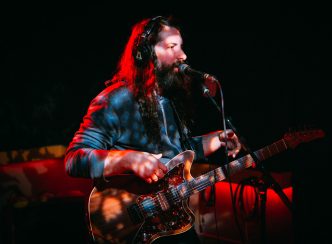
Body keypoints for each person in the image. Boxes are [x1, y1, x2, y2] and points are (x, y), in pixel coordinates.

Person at [64, 15, 242, 244]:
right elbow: (74, 159)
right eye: (171, 47)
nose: (183, 55)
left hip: (171, 223)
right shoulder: (115, 100)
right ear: (146, 54)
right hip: (135, 227)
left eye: (181, 46)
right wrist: (128, 160)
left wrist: (217, 138)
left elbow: (177, 156)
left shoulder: (171, 99)